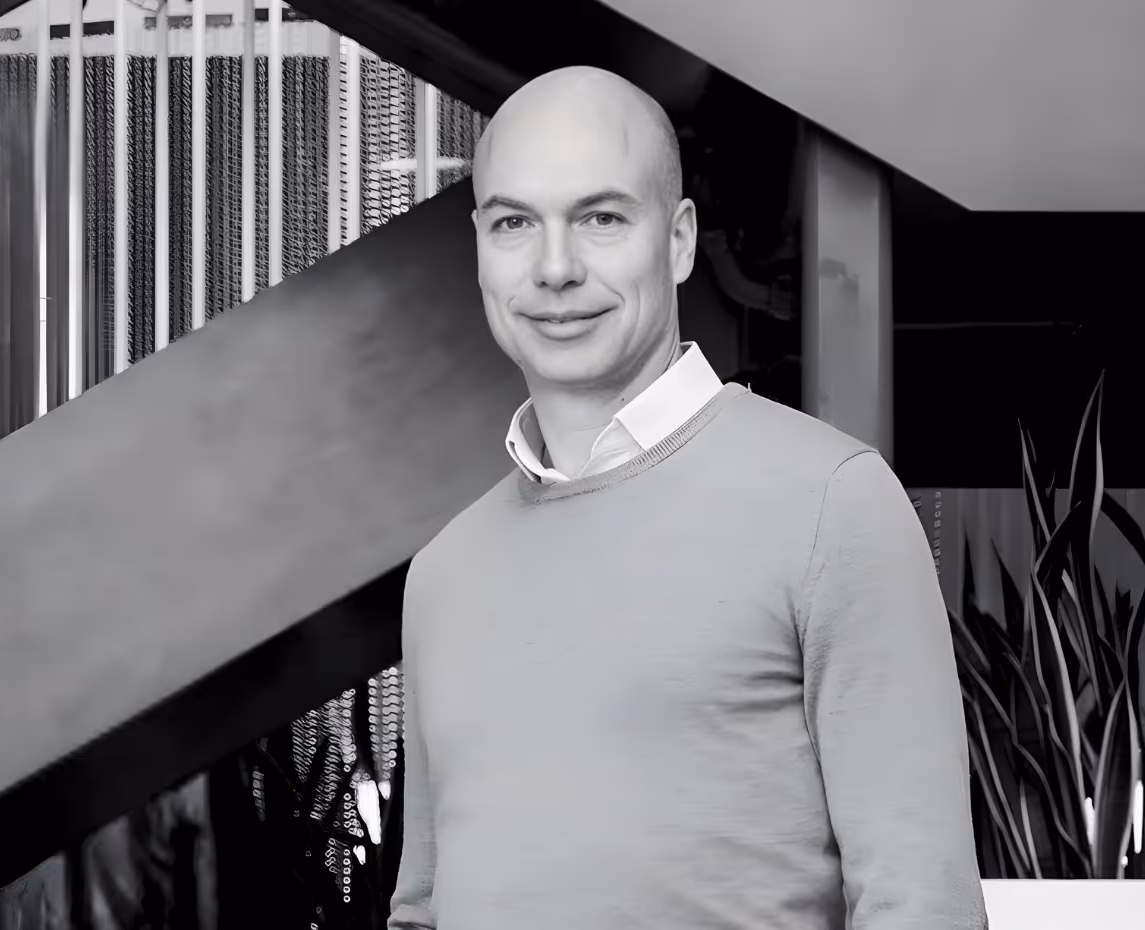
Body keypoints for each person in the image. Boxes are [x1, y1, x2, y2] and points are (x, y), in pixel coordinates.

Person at [387, 66, 987, 928]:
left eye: (600, 218)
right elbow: (423, 908)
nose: (555, 269)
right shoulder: (445, 574)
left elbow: (920, 906)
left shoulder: (832, 504)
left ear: (677, 240)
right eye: (516, 223)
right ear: (480, 245)